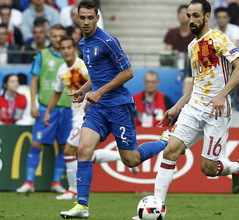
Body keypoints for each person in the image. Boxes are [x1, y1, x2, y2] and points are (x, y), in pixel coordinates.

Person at [133, 1, 239, 219]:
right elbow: (197, 82)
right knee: (170, 151)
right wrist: (176, 107)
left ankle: (237, 167)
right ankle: (156, 209)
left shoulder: (218, 38)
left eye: (196, 15)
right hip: (194, 106)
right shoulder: (191, 47)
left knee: (208, 169)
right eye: (189, 16)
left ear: (207, 16)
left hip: (217, 110)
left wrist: (221, 95)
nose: (192, 20)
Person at [60, 1, 168, 218]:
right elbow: (98, 75)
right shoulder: (83, 43)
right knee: (83, 149)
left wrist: (100, 92)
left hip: (119, 106)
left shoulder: (108, 41)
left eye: (91, 17)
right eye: (83, 18)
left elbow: (128, 72)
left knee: (131, 160)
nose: (87, 21)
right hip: (98, 109)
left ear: (97, 18)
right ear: (77, 19)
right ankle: (82, 206)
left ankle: (166, 142)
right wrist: (84, 90)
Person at [44, 35, 137, 200]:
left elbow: (99, 80)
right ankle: (119, 157)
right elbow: (57, 93)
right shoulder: (62, 71)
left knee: (69, 150)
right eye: (62, 48)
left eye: (68, 48)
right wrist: (47, 111)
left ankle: (73, 190)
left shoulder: (82, 66)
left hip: (88, 112)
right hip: (76, 114)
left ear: (74, 49)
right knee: (84, 153)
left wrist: (90, 101)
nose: (66, 51)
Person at [16, 24, 70, 194]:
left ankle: (56, 183)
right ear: (50, 37)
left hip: (68, 109)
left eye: (61, 36)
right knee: (36, 143)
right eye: (54, 36)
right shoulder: (42, 55)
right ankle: (29, 182)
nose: (57, 39)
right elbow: (34, 81)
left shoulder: (73, 56)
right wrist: (33, 104)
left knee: (64, 147)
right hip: (47, 108)